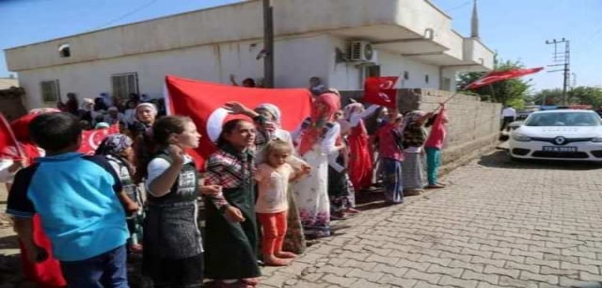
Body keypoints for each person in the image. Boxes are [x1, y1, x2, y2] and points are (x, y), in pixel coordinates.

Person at [6, 112, 129, 287]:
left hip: (74, 249)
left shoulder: (27, 176)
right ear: (79, 139)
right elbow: (118, 193)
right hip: (114, 239)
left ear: (35, 141)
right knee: (118, 282)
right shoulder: (99, 163)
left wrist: (31, 247)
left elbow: (21, 219)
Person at [143, 116, 219, 288]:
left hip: (187, 228)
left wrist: (200, 190)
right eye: (192, 131)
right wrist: (176, 164)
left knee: (191, 275)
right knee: (177, 278)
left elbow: (175, 188)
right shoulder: (161, 162)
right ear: (174, 138)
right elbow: (157, 190)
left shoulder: (185, 159)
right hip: (171, 233)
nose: (198, 135)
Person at [0, 113, 66, 288]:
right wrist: (14, 166)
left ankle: (58, 272)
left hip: (50, 198)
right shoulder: (14, 148)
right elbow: (2, 175)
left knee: (52, 237)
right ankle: (40, 273)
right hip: (27, 201)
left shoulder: (45, 145)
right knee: (33, 236)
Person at [204, 119, 262, 287]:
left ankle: (244, 272)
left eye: (252, 131)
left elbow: (267, 132)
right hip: (225, 202)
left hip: (246, 199)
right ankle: (226, 279)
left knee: (248, 235)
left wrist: (249, 112)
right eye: (244, 131)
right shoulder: (218, 158)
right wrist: (226, 207)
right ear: (228, 135)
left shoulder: (249, 150)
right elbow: (212, 188)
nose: (250, 134)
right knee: (231, 239)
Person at [254, 103, 308, 254]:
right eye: (258, 114)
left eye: (266, 114)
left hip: (280, 179)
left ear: (274, 116)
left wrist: (301, 166)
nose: (262, 117)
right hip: (261, 177)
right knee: (264, 217)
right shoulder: (253, 134)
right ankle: (263, 251)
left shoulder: (283, 134)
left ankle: (282, 247)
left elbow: (289, 155)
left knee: (282, 217)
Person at [290, 93, 341, 239]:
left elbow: (292, 137)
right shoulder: (333, 125)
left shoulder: (307, 121)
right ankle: (314, 227)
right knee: (316, 192)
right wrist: (340, 146)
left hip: (300, 160)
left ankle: (297, 225)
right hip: (317, 163)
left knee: (299, 191)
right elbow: (326, 149)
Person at [254, 139, 309, 266]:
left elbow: (290, 180)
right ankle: (268, 256)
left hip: (282, 206)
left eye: (284, 156)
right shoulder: (263, 169)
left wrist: (302, 173)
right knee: (271, 232)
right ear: (268, 155)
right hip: (266, 208)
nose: (280, 160)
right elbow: (253, 182)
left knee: (282, 230)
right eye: (276, 156)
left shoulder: (286, 167)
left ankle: (277, 251)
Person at [95, 134, 144, 252]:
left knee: (129, 227)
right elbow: (115, 184)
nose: (131, 149)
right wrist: (127, 202)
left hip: (126, 202)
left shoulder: (120, 161)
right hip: (119, 204)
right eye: (128, 146)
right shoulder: (111, 162)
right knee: (122, 229)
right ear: (119, 147)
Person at [343, 103, 379, 191]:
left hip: (360, 142)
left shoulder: (357, 117)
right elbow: (366, 113)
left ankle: (362, 182)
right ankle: (356, 182)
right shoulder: (354, 116)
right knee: (357, 162)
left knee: (363, 161)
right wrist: (376, 104)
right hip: (356, 142)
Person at [375, 111, 405, 204]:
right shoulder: (386, 129)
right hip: (390, 156)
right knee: (392, 179)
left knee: (394, 178)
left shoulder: (393, 130)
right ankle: (392, 197)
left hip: (394, 156)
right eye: (399, 122)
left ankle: (394, 196)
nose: (401, 124)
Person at [401, 110, 430, 196]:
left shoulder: (416, 126)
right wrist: (426, 116)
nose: (423, 119)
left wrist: (422, 148)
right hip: (410, 151)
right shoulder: (411, 125)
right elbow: (418, 123)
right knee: (410, 170)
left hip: (416, 150)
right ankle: (409, 188)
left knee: (417, 169)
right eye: (420, 116)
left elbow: (421, 138)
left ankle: (415, 186)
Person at [424, 104, 449, 189]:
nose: (447, 117)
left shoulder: (442, 126)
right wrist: (443, 108)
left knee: (436, 164)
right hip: (431, 147)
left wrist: (444, 110)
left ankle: (433, 180)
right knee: (432, 165)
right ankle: (431, 183)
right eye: (445, 116)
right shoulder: (437, 125)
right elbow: (439, 117)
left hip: (436, 148)